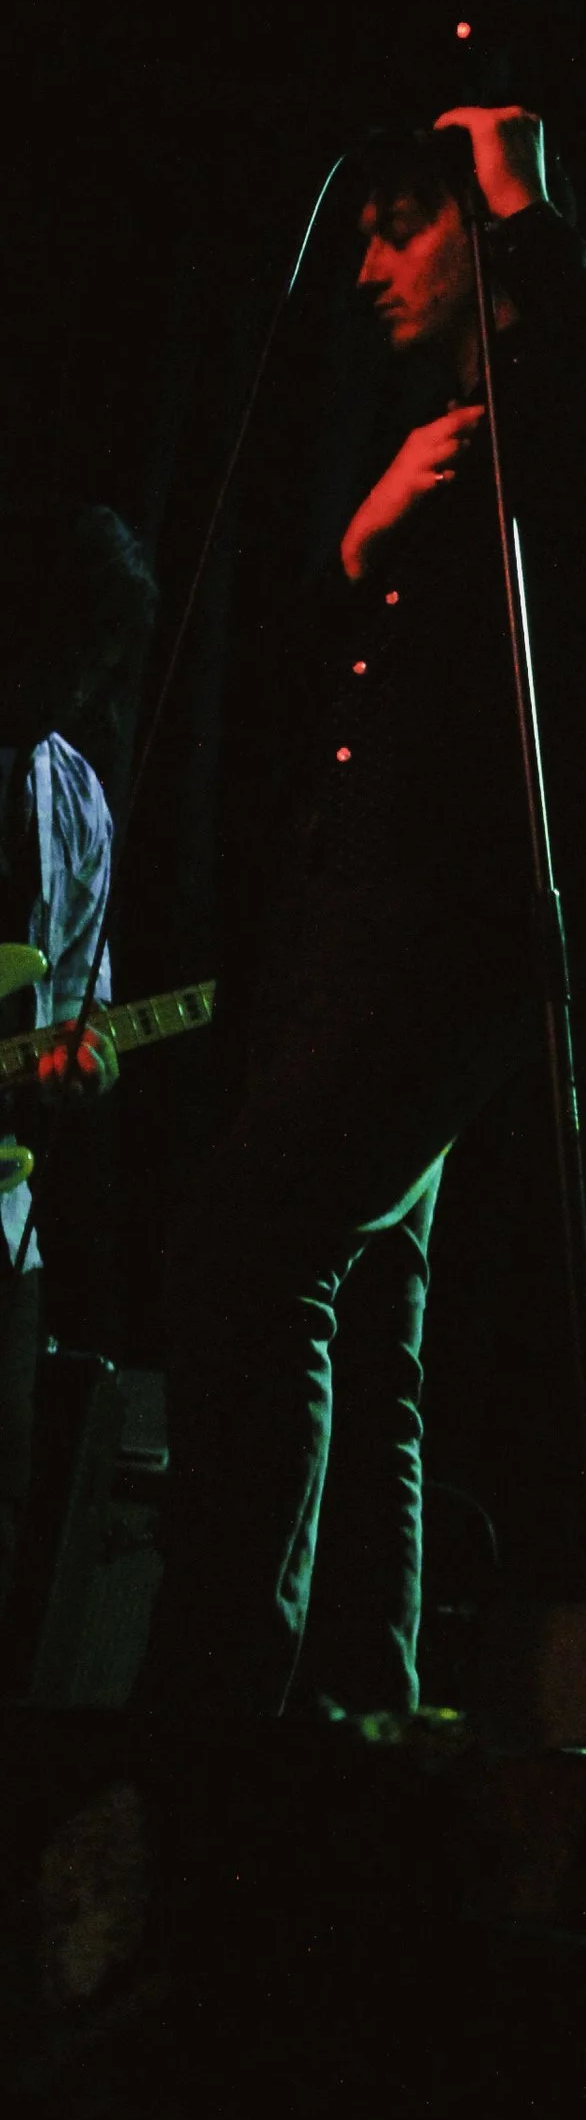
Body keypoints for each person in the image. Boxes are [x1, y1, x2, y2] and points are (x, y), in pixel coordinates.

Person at [142, 105, 586, 1717]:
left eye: (399, 225)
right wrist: (357, 549)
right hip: (356, 905)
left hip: (480, 903)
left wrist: (522, 200)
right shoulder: (439, 416)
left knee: (254, 1245)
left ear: (479, 219)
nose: (364, 264)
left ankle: (220, 1707)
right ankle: (352, 1710)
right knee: (369, 1308)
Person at [0, 504, 158, 1652]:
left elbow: (81, 1007)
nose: (77, 687)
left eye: (100, 664)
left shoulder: (79, 799)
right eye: (71, 651)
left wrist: (85, 1057)